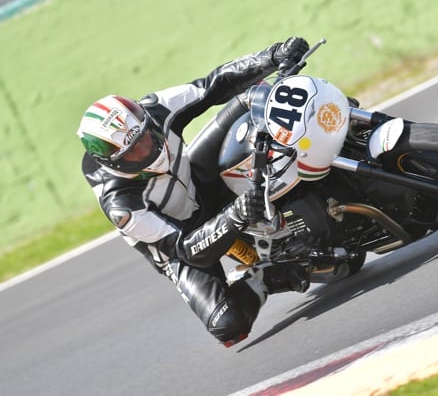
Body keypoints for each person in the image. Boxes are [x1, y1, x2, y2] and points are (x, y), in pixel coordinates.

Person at [76, 37, 311, 347]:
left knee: (252, 98)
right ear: (113, 162)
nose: (148, 149)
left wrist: (271, 55)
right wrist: (235, 216)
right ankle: (263, 277)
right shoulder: (122, 205)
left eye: (147, 136)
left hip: (199, 181)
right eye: (134, 152)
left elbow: (213, 84)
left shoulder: (155, 109)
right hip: (184, 243)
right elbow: (185, 248)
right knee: (228, 326)